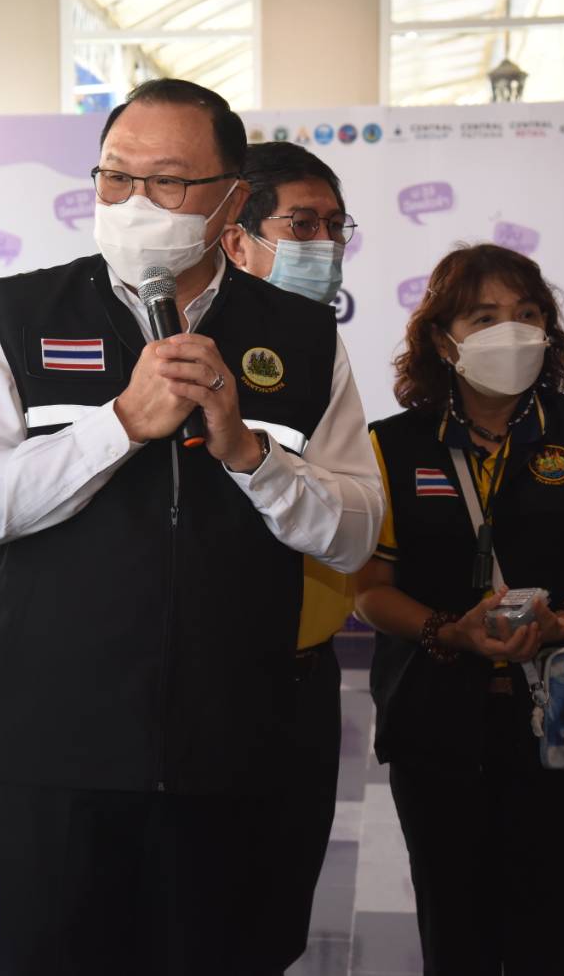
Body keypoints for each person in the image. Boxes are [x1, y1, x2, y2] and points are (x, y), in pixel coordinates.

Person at [0, 79, 384, 976]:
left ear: (229, 199)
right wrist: (118, 425)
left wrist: (251, 454)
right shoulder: (21, 315)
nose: (135, 200)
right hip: (52, 747)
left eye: (169, 181)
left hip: (232, 746)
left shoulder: (301, 337)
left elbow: (355, 532)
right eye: (116, 176)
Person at [353, 243, 564, 976]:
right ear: (442, 338)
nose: (511, 331)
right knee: (454, 929)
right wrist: (446, 630)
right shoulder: (391, 445)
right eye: (484, 317)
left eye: (527, 314)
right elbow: (369, 588)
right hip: (437, 721)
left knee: (552, 929)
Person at [221, 139, 359, 969]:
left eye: (336, 227)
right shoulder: (183, 351)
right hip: (211, 678)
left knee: (275, 914)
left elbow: (354, 515)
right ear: (235, 239)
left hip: (305, 676)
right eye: (302, 225)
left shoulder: (323, 352)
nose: (325, 244)